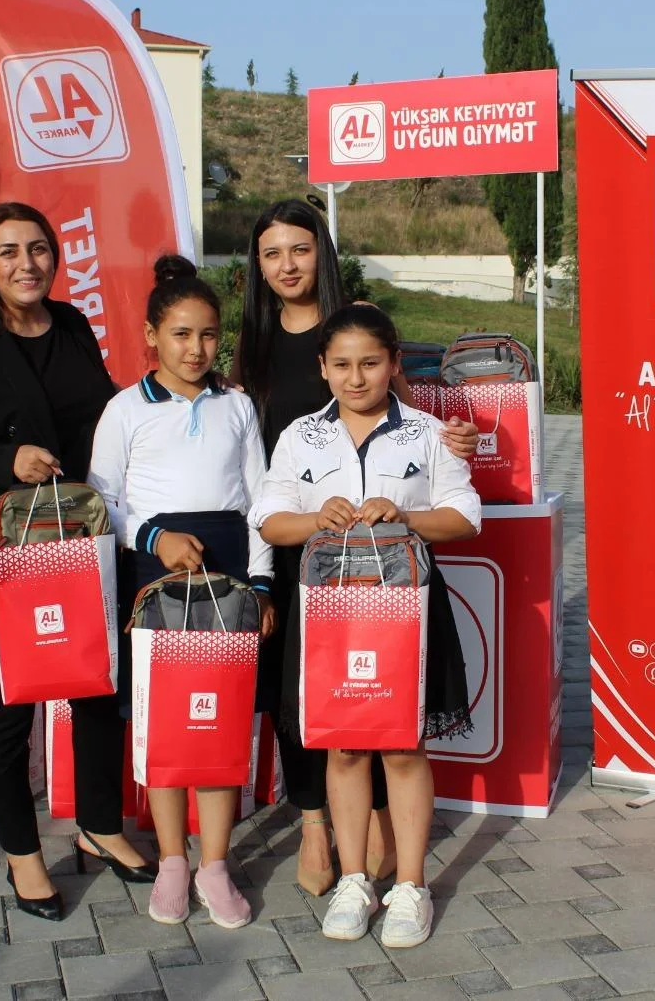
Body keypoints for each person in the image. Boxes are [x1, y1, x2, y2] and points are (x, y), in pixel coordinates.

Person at [0, 201, 157, 923]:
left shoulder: (73, 327)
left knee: (96, 691)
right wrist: (3, 460)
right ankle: (22, 853)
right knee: (6, 709)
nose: (27, 263)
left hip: (74, 545)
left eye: (39, 249)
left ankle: (100, 825)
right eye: (10, 251)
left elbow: (107, 418)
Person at [235, 198, 478, 895]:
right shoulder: (255, 345)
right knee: (318, 711)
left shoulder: (365, 335)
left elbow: (434, 460)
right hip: (310, 567)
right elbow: (267, 495)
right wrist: (296, 533)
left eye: (300, 249)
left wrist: (444, 443)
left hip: (392, 585)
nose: (287, 264)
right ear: (323, 367)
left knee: (391, 722)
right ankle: (323, 838)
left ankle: (392, 857)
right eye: (272, 252)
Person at [89, 255, 274, 928]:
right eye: (181, 334)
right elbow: (102, 500)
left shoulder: (237, 406)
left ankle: (216, 863)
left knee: (221, 719)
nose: (196, 349)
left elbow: (260, 498)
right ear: (151, 336)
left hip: (228, 574)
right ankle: (172, 859)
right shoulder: (124, 410)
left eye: (208, 335)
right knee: (165, 721)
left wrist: (260, 582)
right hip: (156, 576)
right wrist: (155, 536)